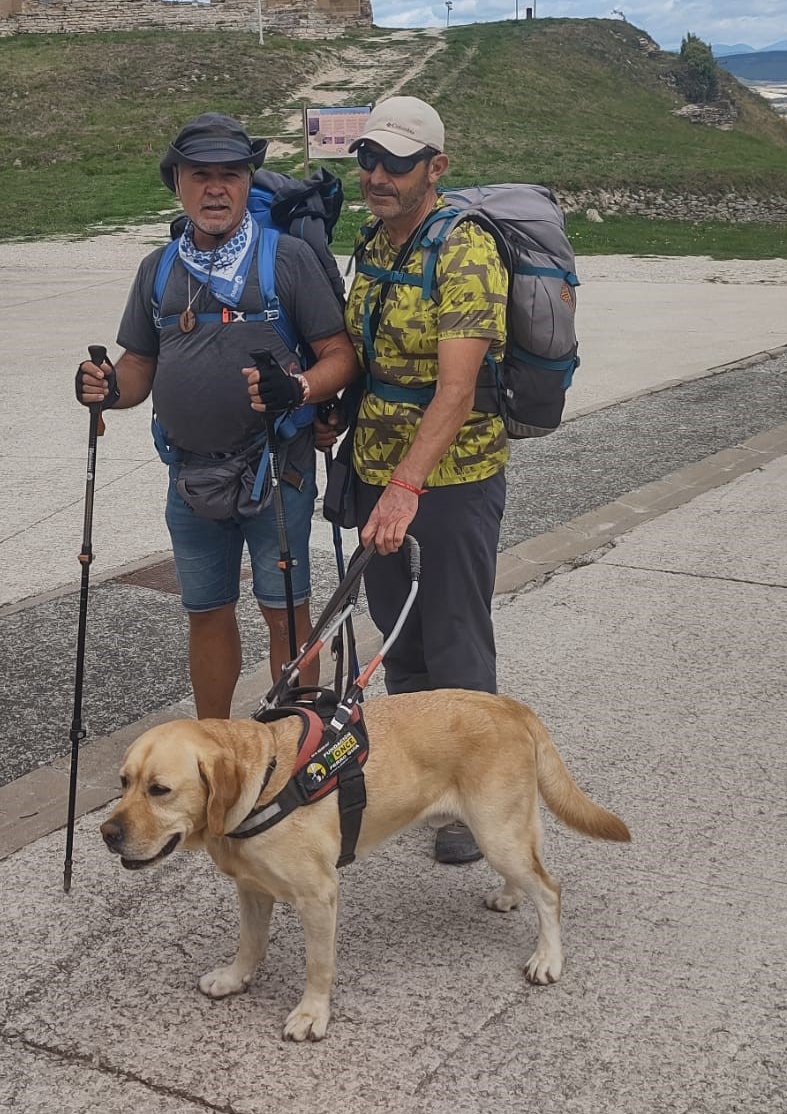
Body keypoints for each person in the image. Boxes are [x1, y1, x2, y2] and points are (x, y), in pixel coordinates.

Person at [77, 113, 358, 721]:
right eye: (199, 175)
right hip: (190, 476)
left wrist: (301, 387)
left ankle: (292, 745)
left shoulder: (285, 260)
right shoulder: (157, 270)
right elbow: (139, 367)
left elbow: (341, 355)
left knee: (286, 613)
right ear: (176, 182)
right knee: (204, 612)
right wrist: (104, 388)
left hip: (276, 473)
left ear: (247, 180)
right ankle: (214, 745)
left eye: (230, 175)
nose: (215, 189)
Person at [341, 95, 509, 864]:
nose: (377, 175)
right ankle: (419, 781)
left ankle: (478, 802)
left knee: (456, 642)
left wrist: (408, 485)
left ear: (435, 169)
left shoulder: (467, 250)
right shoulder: (374, 241)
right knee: (399, 634)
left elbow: (457, 390)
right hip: (380, 472)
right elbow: (366, 352)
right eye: (368, 159)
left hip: (451, 477)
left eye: (396, 164)